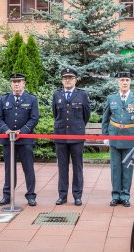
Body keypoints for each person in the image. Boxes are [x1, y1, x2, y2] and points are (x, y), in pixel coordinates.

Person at [102, 72, 134, 207]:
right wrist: (105, 136)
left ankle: (125, 195)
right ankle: (115, 195)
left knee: (127, 168)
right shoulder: (111, 98)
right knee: (115, 168)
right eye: (122, 80)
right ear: (118, 82)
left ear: (130, 82)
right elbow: (105, 118)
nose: (125, 82)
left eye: (127, 80)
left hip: (130, 137)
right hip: (114, 137)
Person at [0, 73, 39, 207]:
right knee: (9, 169)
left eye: (19, 82)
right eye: (14, 82)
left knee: (28, 168)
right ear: (11, 84)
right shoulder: (4, 99)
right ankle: (7, 195)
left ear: (24, 83)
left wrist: (22, 131)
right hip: (9, 139)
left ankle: (31, 196)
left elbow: (34, 118)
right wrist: (6, 130)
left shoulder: (31, 99)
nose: (16, 84)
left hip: (25, 139)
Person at [52, 68, 91, 206]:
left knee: (77, 167)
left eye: (70, 78)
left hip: (76, 136)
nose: (67, 80)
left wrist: (78, 127)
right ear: (62, 80)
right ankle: (62, 195)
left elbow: (86, 115)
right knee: (62, 167)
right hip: (61, 135)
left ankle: (77, 195)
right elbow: (55, 113)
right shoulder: (57, 95)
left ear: (76, 80)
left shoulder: (82, 95)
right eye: (65, 78)